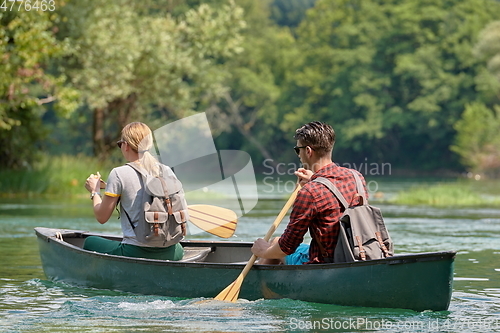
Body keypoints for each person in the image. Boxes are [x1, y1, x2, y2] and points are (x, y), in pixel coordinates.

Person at [251, 121, 367, 265]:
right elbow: (332, 198)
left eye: (297, 149)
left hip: (324, 263)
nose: (298, 154)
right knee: (275, 244)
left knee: (274, 246)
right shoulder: (357, 177)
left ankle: (262, 286)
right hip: (355, 254)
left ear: (308, 151)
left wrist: (263, 251)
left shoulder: (310, 192)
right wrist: (314, 179)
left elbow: (287, 246)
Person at [83, 122, 184, 260]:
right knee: (178, 247)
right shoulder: (166, 171)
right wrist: (109, 187)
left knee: (89, 241)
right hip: (173, 252)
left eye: (120, 144)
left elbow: (102, 217)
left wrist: (95, 192)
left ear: (125, 145)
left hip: (135, 251)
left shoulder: (119, 173)